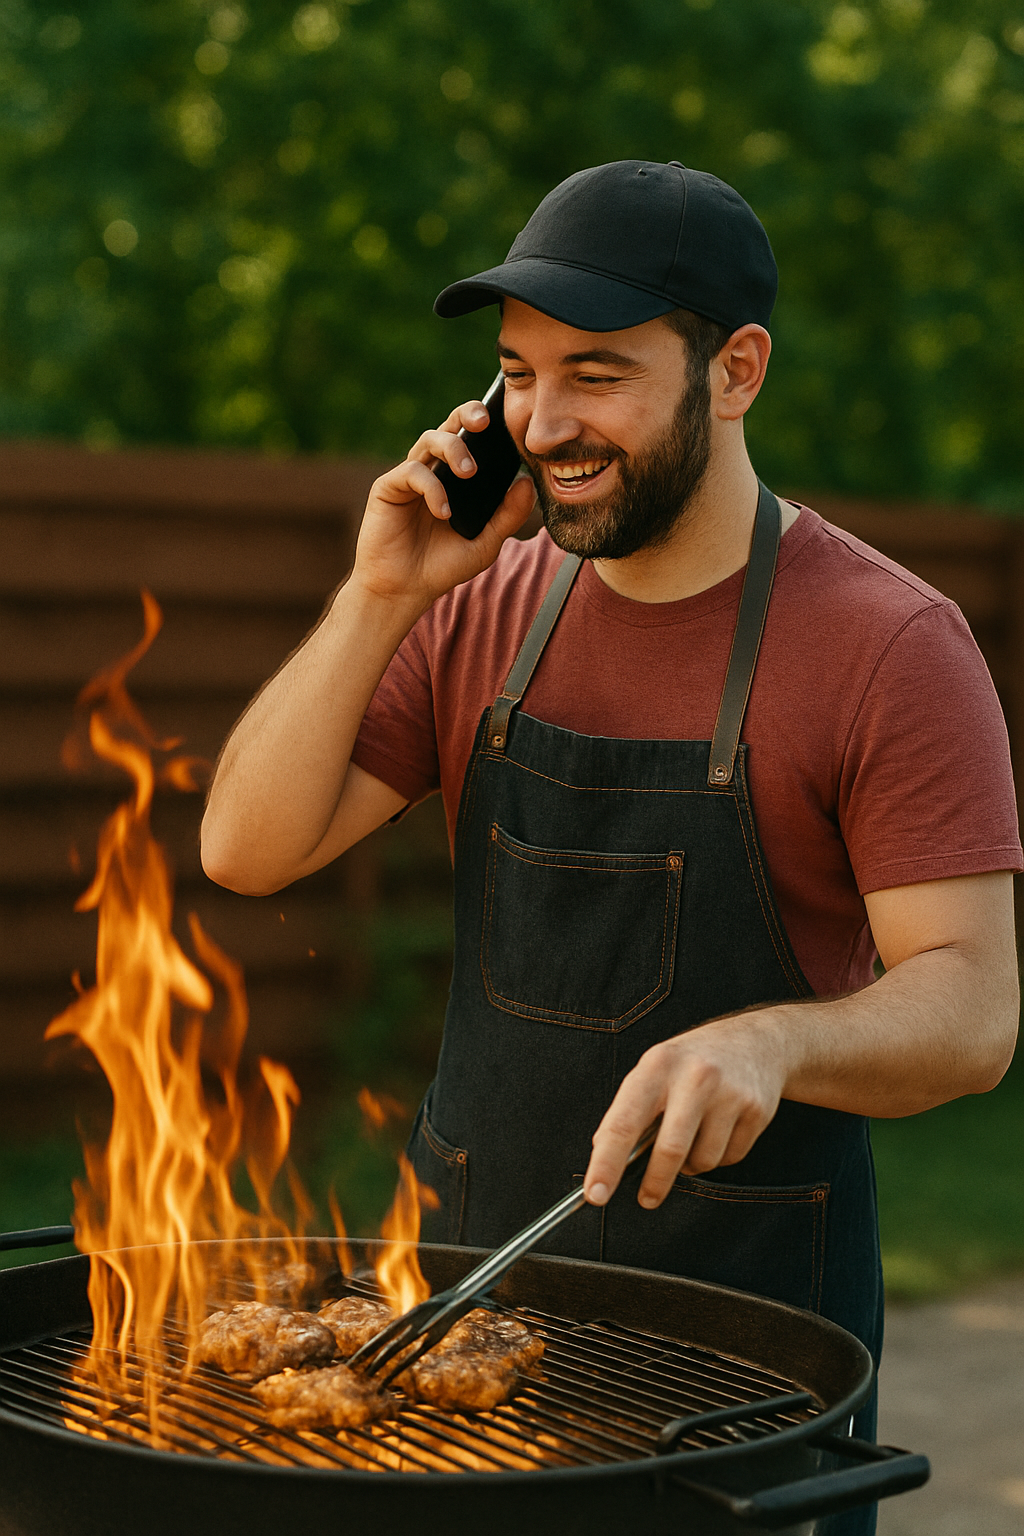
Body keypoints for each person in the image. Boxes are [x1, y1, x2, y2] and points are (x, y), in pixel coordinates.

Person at [201, 161, 1020, 1533]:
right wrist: (379, 592)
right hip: (460, 1324)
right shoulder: (482, 604)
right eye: (518, 374)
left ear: (737, 369)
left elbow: (975, 1009)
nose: (544, 421)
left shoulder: (892, 645)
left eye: (598, 373)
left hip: (742, 1366)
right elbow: (247, 848)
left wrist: (776, 1041)